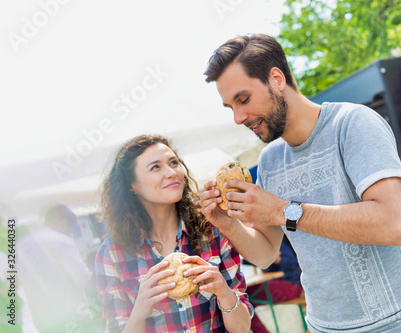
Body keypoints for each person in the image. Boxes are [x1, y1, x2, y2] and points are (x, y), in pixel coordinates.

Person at [200, 33, 401, 333]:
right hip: (322, 327)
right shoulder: (270, 159)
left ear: (276, 79)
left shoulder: (352, 124)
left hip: (396, 324)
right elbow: (265, 254)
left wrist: (282, 211)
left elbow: (396, 225)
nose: (238, 117)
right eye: (230, 107)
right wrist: (228, 224)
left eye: (243, 99)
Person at [95, 134, 252, 333]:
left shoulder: (212, 228)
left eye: (173, 163)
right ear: (131, 185)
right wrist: (139, 311)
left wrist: (224, 292)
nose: (171, 172)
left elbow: (242, 328)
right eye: (155, 167)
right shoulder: (112, 254)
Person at [17, 204, 94, 332]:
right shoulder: (60, 240)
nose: (71, 233)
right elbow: (81, 278)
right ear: (63, 223)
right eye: (71, 229)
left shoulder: (21, 245)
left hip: (42, 320)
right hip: (72, 315)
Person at [246, 235, 302, 333]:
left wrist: (277, 260)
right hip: (286, 283)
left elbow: (295, 264)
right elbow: (267, 266)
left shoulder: (275, 239)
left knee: (243, 297)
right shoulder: (263, 241)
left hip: (292, 284)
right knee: (245, 302)